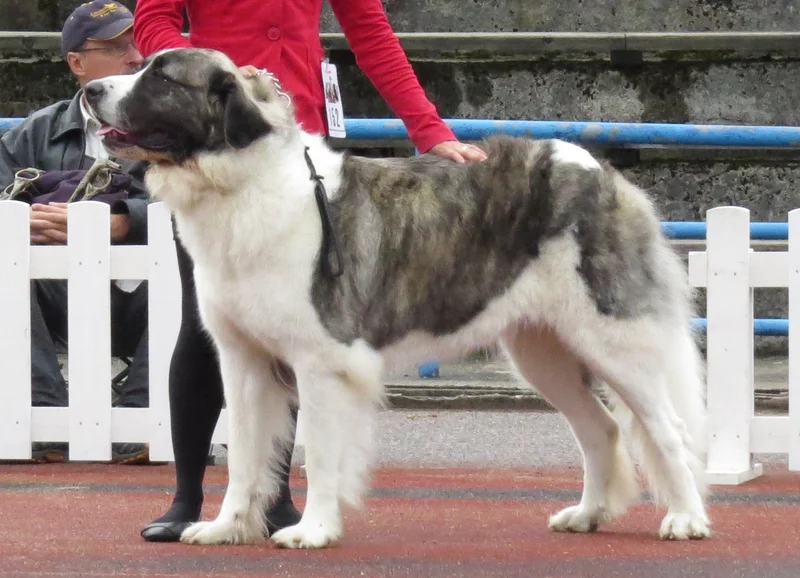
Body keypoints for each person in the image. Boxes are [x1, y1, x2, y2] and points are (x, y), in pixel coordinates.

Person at [133, 0, 488, 542]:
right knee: (206, 328)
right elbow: (152, 17)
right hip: (218, 130)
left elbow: (370, 31)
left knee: (303, 332)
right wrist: (215, 73)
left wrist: (428, 130)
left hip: (298, 144)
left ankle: (275, 500)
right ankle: (188, 496)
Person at [0, 1, 151, 464]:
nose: (135, 57)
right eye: (117, 47)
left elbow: (209, 209)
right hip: (54, 295)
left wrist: (128, 220)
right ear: (75, 63)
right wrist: (18, 220)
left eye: (139, 43)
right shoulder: (32, 132)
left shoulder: (181, 127)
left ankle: (145, 418)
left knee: (202, 273)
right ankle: (44, 413)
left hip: (144, 294)